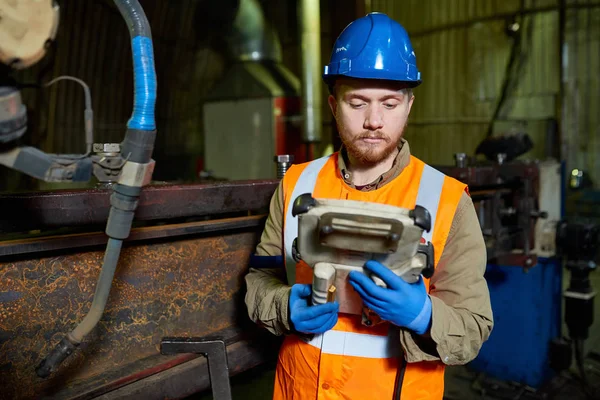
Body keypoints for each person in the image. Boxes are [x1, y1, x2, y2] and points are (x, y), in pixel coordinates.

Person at [245, 12, 493, 400]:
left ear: (409, 105)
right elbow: (258, 283)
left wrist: (423, 316)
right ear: (332, 104)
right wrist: (284, 306)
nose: (374, 121)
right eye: (357, 102)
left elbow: (473, 327)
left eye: (389, 104)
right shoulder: (296, 185)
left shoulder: (447, 200)